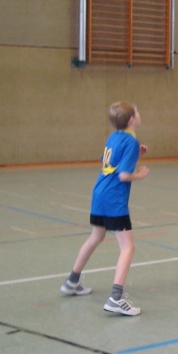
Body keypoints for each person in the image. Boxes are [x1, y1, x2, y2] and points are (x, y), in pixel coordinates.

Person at [60, 101, 149, 316]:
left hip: (99, 192)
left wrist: (136, 154)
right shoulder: (131, 140)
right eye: (137, 112)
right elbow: (124, 175)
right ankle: (116, 298)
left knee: (96, 237)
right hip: (113, 198)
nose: (139, 114)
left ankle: (72, 281)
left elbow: (109, 162)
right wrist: (140, 174)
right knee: (128, 247)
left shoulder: (114, 137)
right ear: (131, 120)